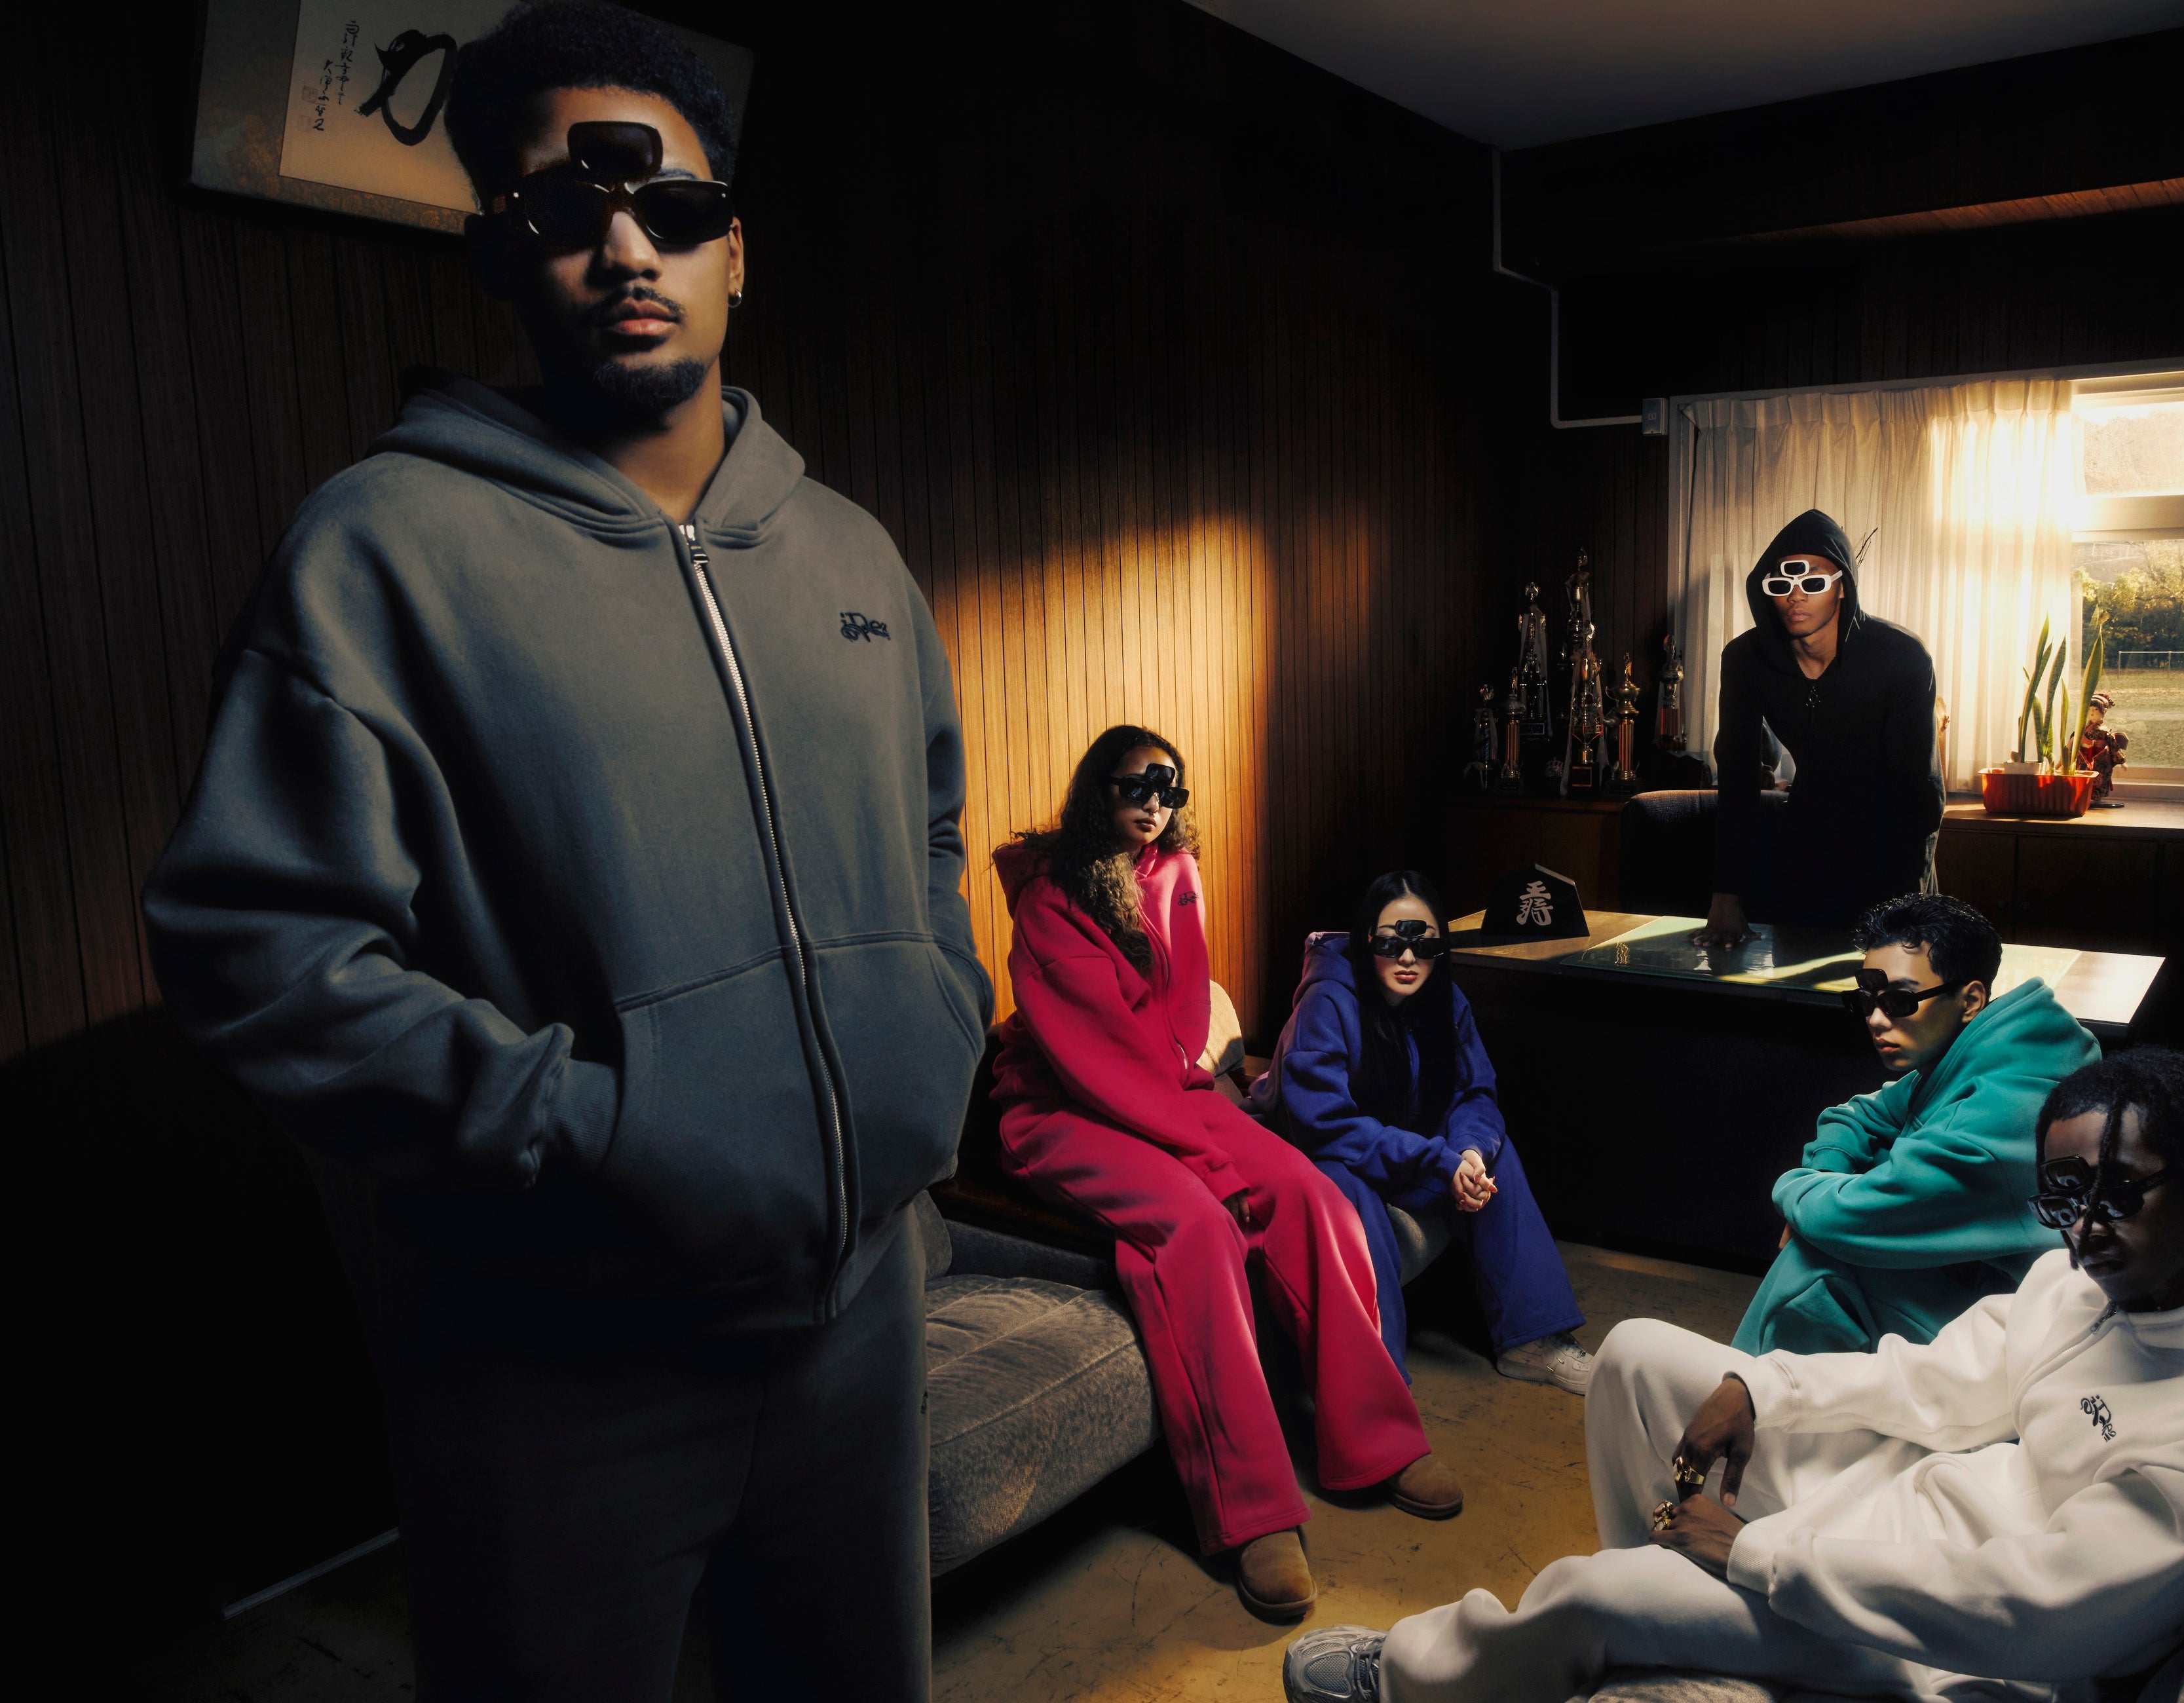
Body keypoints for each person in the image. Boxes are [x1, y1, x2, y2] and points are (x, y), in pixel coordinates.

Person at [140, 6, 991, 1696]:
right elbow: (261, 953)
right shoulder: (383, 550)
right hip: (564, 1371)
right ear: (496, 255)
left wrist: (936, 1021)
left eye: (670, 206)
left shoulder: (853, 557)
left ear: (734, 250)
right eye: (562, 211)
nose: (625, 248)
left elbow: (932, 838)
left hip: (862, 1323)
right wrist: (587, 1134)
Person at [1284, 1047, 2184, 1703]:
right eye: (2063, 1198)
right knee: (1638, 1358)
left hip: (1946, 1645)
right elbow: (1956, 1376)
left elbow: (2040, 1617)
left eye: (2117, 1193)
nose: (2083, 1232)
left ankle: (1418, 1680)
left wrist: (1758, 1554)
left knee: (1589, 1589)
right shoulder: (2125, 1273)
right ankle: (1659, 1623)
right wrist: (1767, 1392)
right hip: (1909, 1505)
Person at [989, 728, 1460, 1622]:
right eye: (1137, 785)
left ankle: (1378, 1439)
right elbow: (1097, 1056)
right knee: (1198, 1226)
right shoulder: (1051, 896)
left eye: (1170, 789)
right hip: (1063, 1106)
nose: (1155, 804)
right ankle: (1253, 1514)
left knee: (1312, 1194)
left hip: (1166, 1090)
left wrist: (1211, 1129)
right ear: (1098, 789)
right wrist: (1206, 1158)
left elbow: (1177, 1029)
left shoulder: (1174, 872)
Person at [1250, 871, 1591, 1391]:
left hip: (1395, 1150)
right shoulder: (1327, 1000)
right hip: (1313, 1153)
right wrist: (1436, 1161)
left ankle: (1532, 1341)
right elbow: (1325, 1125)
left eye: (1424, 943)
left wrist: (1468, 1153)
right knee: (1346, 1183)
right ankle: (1377, 1380)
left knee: (1494, 1157)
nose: (1408, 958)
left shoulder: (1445, 1000)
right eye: (1392, 942)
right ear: (1368, 939)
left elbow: (1475, 1092)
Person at [1734, 892, 2099, 1355]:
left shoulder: (2004, 1110)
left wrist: (1795, 1192)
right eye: (1867, 1001)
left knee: (1816, 1264)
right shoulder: (1979, 1055)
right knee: (1822, 1251)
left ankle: (1747, 1389)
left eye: (1900, 1001)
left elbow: (1842, 1216)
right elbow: (1857, 1114)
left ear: (1971, 1000)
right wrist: (1826, 1172)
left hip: (2026, 1329)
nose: (1876, 1020)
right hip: (1972, 1285)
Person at [1699, 510, 1944, 945]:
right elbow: (1737, 779)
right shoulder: (1746, 660)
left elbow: (1919, 795)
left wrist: (1906, 911)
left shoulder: (1901, 658)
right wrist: (1726, 894)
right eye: (1782, 586)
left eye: (1812, 583)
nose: (1796, 597)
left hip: (1890, 859)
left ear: (1842, 586)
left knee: (1887, 983)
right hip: (1804, 855)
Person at [2078, 691, 2130, 806]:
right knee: (2083, 777)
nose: (2092, 712)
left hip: (2100, 760)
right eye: (2089, 709)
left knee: (2099, 779)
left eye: (2096, 710)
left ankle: (2096, 798)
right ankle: (2084, 797)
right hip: (2084, 758)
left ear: (2104, 711)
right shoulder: (2083, 730)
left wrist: (2122, 762)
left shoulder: (2105, 732)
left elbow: (2114, 746)